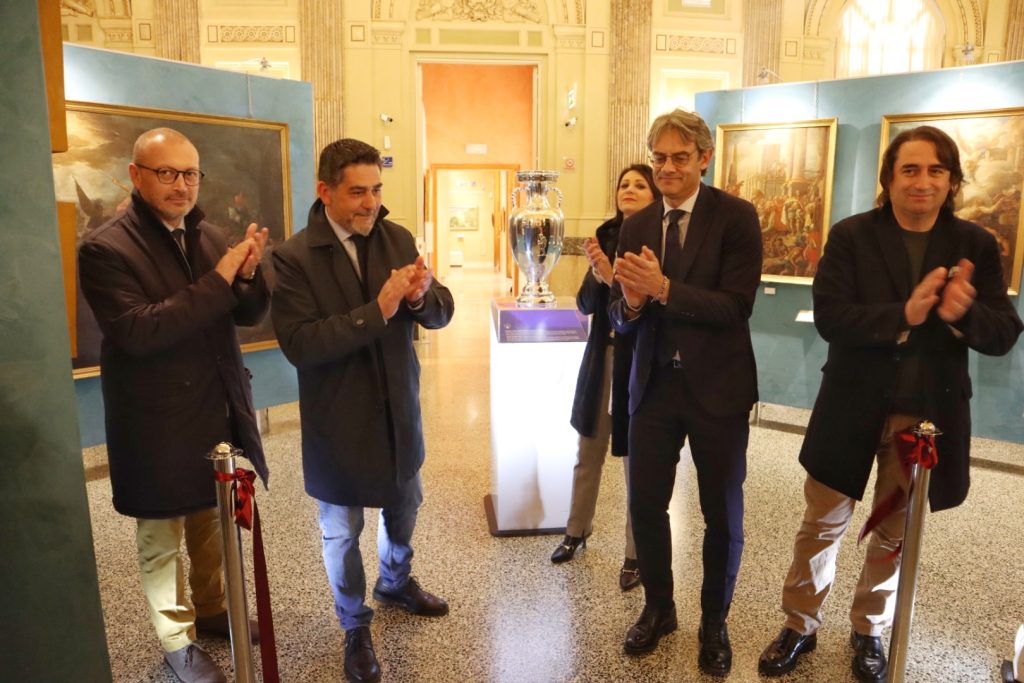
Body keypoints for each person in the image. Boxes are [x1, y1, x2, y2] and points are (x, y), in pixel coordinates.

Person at [757, 125, 1023, 681]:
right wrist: (904, 314)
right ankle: (800, 623)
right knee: (822, 523)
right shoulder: (851, 235)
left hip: (924, 416)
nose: (923, 181)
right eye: (910, 169)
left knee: (893, 531)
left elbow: (1003, 332)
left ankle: (869, 629)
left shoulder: (974, 244)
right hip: (850, 403)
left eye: (935, 170)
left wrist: (963, 314)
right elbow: (831, 317)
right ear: (889, 178)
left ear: (951, 181)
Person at [78, 127, 270, 683]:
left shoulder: (208, 235)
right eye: (166, 173)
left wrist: (248, 276)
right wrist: (222, 277)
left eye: (190, 174)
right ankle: (176, 641)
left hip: (214, 409)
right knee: (161, 536)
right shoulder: (105, 248)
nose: (181, 185)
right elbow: (141, 331)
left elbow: (245, 313)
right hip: (154, 421)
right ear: (136, 176)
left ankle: (212, 610)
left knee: (211, 522)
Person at [271, 138, 455, 683]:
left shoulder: (396, 238)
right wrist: (380, 308)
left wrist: (420, 298)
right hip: (339, 420)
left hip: (398, 410)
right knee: (343, 530)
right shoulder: (293, 257)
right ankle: (354, 624)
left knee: (405, 507)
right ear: (325, 191)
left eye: (376, 189)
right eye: (357, 192)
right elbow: (301, 344)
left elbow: (440, 311)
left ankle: (395, 581)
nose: (370, 203)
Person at [608, 109, 763, 675]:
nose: (667, 168)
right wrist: (631, 304)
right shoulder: (638, 224)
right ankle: (659, 608)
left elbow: (736, 306)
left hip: (718, 388)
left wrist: (665, 288)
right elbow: (621, 314)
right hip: (652, 386)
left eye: (679, 157)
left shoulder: (736, 217)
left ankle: (714, 622)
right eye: (659, 158)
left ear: (705, 158)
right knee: (646, 505)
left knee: (721, 511)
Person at [550, 164, 661, 594]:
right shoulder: (607, 236)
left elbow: (653, 308)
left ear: (654, 196)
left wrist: (614, 279)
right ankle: (576, 530)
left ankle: (636, 553)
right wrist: (598, 276)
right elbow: (583, 303)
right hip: (604, 357)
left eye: (639, 185)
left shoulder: (661, 242)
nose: (629, 190)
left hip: (641, 363)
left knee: (638, 463)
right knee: (588, 449)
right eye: (623, 184)